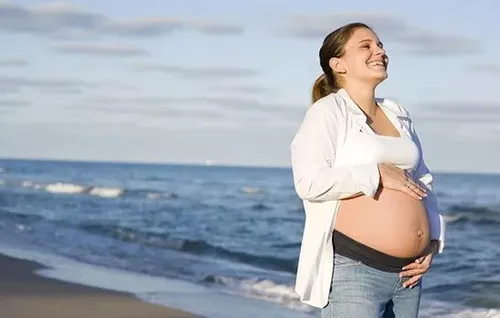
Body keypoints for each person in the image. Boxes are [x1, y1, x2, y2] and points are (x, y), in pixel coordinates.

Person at [290, 22, 446, 317]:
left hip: (408, 276)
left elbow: (423, 180)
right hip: (355, 271)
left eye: (380, 45)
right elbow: (308, 182)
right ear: (338, 64)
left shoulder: (397, 113)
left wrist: (433, 241)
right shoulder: (327, 112)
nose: (380, 51)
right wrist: (375, 173)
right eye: (366, 46)